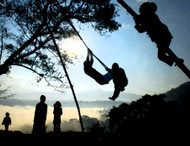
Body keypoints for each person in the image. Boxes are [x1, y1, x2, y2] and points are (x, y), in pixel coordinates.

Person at [134, 2, 183, 66]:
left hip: (164, 37)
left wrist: (136, 22)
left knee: (161, 55)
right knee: (161, 54)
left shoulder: (151, 17)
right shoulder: (149, 17)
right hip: (163, 37)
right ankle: (176, 60)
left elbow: (141, 29)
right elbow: (142, 28)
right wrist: (137, 21)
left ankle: (176, 60)